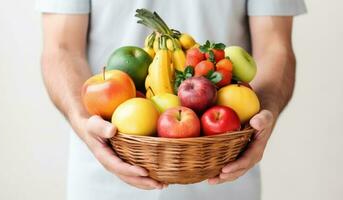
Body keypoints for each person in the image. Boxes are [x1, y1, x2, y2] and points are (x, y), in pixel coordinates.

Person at [37, 0, 306, 199]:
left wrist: (265, 113)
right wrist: (85, 124)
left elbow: (275, 46)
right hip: (104, 175)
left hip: (224, 173)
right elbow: (62, 49)